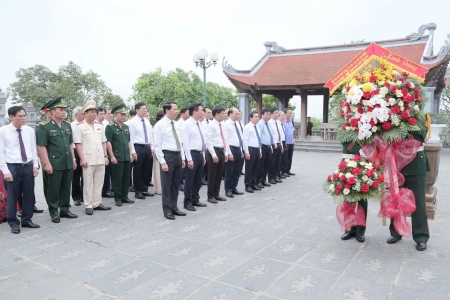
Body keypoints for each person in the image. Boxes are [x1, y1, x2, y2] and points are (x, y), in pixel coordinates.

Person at [386, 131, 430, 251]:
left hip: (415, 163)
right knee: (396, 201)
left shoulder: (420, 117)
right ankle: (396, 232)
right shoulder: (391, 115)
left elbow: (420, 135)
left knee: (419, 202)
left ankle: (421, 237)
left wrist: (400, 133)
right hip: (397, 164)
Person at [36, 96, 78, 223]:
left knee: (66, 186)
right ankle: (54, 211)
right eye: (60, 109)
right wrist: (46, 163)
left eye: (64, 109)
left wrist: (74, 159)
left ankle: (65, 209)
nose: (63, 111)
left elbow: (71, 144)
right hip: (54, 163)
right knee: (53, 188)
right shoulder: (44, 126)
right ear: (52, 111)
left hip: (67, 162)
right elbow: (41, 146)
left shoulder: (67, 126)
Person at [0, 106, 40, 233]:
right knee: (12, 196)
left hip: (27, 166)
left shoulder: (29, 130)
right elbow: (0, 153)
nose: (24, 118)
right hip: (12, 167)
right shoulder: (3, 131)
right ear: (11, 117)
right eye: (20, 116)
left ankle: (27, 220)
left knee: (28, 195)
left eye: (24, 115)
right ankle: (13, 223)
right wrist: (5, 171)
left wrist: (35, 165)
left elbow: (33, 149)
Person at [74, 100, 111, 215]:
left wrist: (105, 156)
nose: (94, 114)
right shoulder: (79, 127)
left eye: (95, 112)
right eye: (91, 112)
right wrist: (82, 159)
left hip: (100, 158)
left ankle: (97, 202)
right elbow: (78, 144)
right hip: (88, 159)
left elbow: (104, 141)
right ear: (85, 113)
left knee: (99, 182)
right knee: (88, 183)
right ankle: (88, 204)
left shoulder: (100, 126)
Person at [153, 101, 186, 220]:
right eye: (174, 109)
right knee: (166, 185)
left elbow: (180, 142)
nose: (177, 111)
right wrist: (163, 162)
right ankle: (167, 210)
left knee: (175, 184)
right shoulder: (160, 125)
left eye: (177, 109)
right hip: (167, 155)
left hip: (177, 155)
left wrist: (182, 157)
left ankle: (174, 207)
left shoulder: (176, 124)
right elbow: (157, 145)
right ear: (167, 110)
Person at [105, 104, 135, 207]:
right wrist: (112, 156)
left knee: (126, 177)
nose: (123, 116)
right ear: (115, 115)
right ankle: (118, 198)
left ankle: (125, 196)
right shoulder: (110, 127)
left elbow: (128, 141)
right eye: (121, 114)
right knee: (117, 178)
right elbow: (108, 142)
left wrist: (130, 153)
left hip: (126, 155)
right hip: (117, 156)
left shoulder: (126, 127)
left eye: (124, 114)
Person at [181, 103, 208, 211]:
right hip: (192, 154)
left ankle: (195, 199)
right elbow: (185, 143)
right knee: (190, 179)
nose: (203, 112)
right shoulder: (187, 124)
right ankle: (187, 202)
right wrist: (189, 159)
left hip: (200, 154)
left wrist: (204, 155)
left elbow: (202, 140)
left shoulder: (199, 123)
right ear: (195, 112)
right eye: (201, 110)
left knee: (198, 179)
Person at [340, 142, 367, 243]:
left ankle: (360, 230)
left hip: (363, 161)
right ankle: (349, 228)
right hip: (347, 161)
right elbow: (343, 138)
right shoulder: (344, 125)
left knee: (363, 196)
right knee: (348, 195)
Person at [128, 103, 154, 199]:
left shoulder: (147, 122)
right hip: (138, 147)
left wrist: (152, 148)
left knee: (146, 169)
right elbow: (131, 138)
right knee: (138, 170)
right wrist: (133, 152)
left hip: (147, 147)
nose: (145, 111)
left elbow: (150, 135)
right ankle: (138, 191)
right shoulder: (132, 122)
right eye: (143, 109)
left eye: (146, 109)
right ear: (137, 110)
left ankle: (144, 189)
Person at [204, 106, 229, 203]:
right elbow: (208, 141)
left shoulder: (222, 125)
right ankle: (210, 196)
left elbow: (225, 139)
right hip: (213, 151)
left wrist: (226, 152)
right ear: (217, 114)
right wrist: (214, 155)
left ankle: (216, 193)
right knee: (212, 174)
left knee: (219, 174)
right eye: (222, 114)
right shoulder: (211, 125)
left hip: (221, 150)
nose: (224, 115)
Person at [223, 107, 244, 198]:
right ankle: (228, 189)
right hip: (231, 149)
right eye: (236, 114)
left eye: (239, 114)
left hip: (239, 149)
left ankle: (234, 187)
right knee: (230, 171)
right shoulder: (226, 124)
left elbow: (241, 137)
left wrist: (242, 150)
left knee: (237, 171)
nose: (238, 115)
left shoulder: (238, 124)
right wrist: (228, 152)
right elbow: (226, 139)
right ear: (230, 114)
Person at [242, 111, 262, 193]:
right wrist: (246, 152)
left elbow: (258, 139)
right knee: (249, 168)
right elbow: (245, 140)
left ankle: (254, 184)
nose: (257, 118)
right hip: (250, 149)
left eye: (258, 117)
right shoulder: (247, 127)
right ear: (250, 118)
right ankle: (248, 185)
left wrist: (260, 150)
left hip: (257, 149)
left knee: (255, 168)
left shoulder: (257, 127)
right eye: (255, 117)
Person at [96, 107, 114, 198]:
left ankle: (106, 189)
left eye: (104, 114)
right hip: (95, 151)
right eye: (101, 114)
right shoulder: (94, 124)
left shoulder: (107, 124)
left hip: (105, 150)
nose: (103, 116)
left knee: (106, 171)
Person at [71, 106, 85, 206]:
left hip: (86, 151)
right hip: (76, 150)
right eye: (81, 114)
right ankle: (76, 197)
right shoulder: (71, 125)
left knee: (86, 175)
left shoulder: (87, 125)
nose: (83, 116)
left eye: (84, 114)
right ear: (76, 115)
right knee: (76, 176)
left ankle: (85, 195)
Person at [257, 108, 274, 188]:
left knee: (267, 164)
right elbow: (259, 136)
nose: (268, 116)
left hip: (268, 146)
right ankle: (258, 180)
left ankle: (264, 180)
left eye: (269, 114)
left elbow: (270, 135)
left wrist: (271, 145)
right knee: (261, 165)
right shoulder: (260, 124)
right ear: (262, 115)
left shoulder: (269, 124)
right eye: (266, 114)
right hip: (262, 146)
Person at [268, 108, 283, 184]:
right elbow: (271, 135)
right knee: (272, 162)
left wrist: (282, 146)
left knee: (278, 162)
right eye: (276, 113)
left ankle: (276, 176)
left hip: (279, 144)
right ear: (271, 114)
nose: (277, 114)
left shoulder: (278, 122)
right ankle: (271, 177)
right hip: (274, 145)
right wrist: (273, 144)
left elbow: (280, 134)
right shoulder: (269, 123)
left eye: (278, 113)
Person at [152, 111, 165, 195]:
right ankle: (159, 188)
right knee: (158, 170)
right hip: (158, 150)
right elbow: (154, 141)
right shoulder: (157, 127)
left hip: (164, 150)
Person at [177, 107, 190, 192]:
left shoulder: (188, 123)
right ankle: (180, 183)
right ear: (182, 114)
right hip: (181, 145)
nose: (189, 115)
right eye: (187, 113)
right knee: (183, 165)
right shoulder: (178, 124)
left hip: (188, 145)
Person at [281, 108, 295, 176]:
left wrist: (293, 140)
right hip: (286, 142)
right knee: (285, 157)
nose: (290, 114)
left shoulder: (290, 121)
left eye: (291, 113)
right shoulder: (283, 122)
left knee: (290, 157)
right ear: (285, 113)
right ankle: (283, 171)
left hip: (291, 142)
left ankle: (288, 170)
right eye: (289, 113)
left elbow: (292, 132)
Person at [125, 109, 136, 192]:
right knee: (129, 168)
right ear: (131, 116)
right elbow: (129, 139)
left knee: (136, 168)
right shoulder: (127, 124)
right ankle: (129, 185)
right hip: (129, 148)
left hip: (136, 147)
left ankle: (134, 185)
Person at [201, 107, 212, 185]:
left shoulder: (211, 122)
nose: (210, 114)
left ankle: (207, 177)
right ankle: (201, 178)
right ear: (203, 113)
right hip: (204, 145)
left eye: (210, 113)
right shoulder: (201, 122)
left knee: (208, 163)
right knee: (203, 162)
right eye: (208, 113)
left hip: (210, 145)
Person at [277, 111, 287, 179]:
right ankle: (277, 174)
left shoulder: (282, 124)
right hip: (278, 142)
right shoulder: (277, 123)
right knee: (278, 160)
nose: (284, 117)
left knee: (283, 159)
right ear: (279, 116)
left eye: (284, 115)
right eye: (282, 115)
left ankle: (280, 172)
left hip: (283, 142)